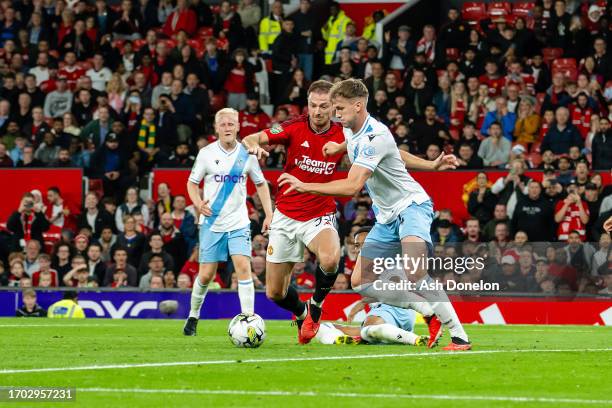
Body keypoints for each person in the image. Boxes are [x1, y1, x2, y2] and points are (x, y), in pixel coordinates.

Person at [279, 78, 470, 350]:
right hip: (386, 217)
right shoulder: (352, 129)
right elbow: (396, 153)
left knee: (416, 272)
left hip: (411, 206)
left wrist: (304, 185)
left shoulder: (375, 136)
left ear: (358, 106)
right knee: (360, 282)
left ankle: (460, 336)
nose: (335, 114)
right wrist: (339, 147)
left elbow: (353, 185)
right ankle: (427, 312)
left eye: (340, 108)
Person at [241, 80, 346, 345]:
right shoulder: (292, 126)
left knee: (331, 258)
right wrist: (253, 144)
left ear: (333, 106)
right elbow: (254, 137)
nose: (318, 111)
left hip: (319, 214)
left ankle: (316, 305)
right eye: (313, 105)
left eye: (324, 106)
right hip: (286, 215)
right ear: (307, 105)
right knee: (275, 292)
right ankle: (301, 313)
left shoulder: (344, 134)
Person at [183, 107, 273, 337]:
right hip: (212, 223)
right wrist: (197, 203)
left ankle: (249, 319)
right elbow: (192, 183)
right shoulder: (205, 153)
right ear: (216, 128)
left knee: (244, 267)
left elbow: (261, 184)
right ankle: (193, 315)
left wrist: (269, 214)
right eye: (222, 124)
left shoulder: (248, 153)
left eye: (231, 124)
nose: (227, 128)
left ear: (238, 127)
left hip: (239, 222)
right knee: (206, 275)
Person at [316, 226, 430, 346]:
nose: (360, 249)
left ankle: (414, 339)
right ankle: (340, 339)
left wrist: (363, 302)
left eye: (365, 243)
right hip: (382, 313)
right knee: (323, 327)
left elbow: (396, 289)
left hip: (395, 310)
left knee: (368, 329)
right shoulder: (365, 264)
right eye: (357, 245)